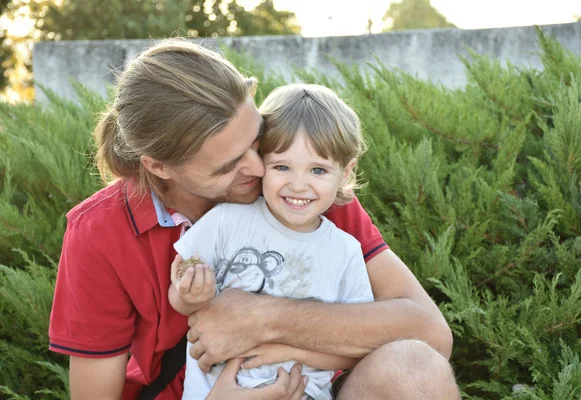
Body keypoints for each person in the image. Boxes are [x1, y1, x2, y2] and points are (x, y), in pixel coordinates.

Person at [48, 38, 459, 399]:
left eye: (257, 142)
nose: (261, 170)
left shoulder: (302, 187)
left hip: (308, 387)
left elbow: (430, 332)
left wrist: (262, 318)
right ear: (161, 167)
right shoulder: (97, 235)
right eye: (228, 166)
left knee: (416, 369)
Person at [170, 83, 375, 400]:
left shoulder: (345, 251)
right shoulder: (227, 220)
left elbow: (353, 350)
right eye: (282, 166)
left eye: (318, 170)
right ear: (260, 160)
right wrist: (190, 295)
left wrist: (282, 349)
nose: (298, 184)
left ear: (346, 173)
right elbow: (180, 292)